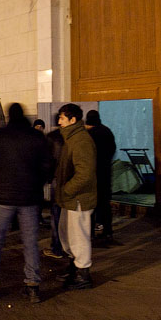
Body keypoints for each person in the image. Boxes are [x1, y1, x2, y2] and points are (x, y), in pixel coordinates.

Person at [0, 104, 53, 302]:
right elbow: (47, 166)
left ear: (8, 116)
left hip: (2, 198)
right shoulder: (36, 137)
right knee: (30, 242)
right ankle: (32, 286)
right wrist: (36, 186)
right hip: (29, 198)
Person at [54, 103, 97, 290]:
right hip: (70, 198)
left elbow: (85, 174)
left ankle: (83, 274)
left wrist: (67, 190)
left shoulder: (81, 141)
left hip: (79, 198)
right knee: (67, 234)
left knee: (79, 236)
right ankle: (74, 267)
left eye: (62, 118)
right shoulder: (71, 138)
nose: (59, 122)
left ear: (73, 120)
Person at [85, 110, 116, 244]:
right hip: (105, 173)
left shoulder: (88, 134)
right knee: (105, 204)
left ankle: (90, 233)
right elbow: (112, 150)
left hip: (92, 174)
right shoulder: (107, 131)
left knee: (91, 205)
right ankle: (107, 231)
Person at [42, 124, 66, 260]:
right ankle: (66, 248)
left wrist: (48, 178)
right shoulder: (73, 137)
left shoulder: (53, 137)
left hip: (57, 180)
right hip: (68, 181)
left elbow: (48, 160)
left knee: (56, 215)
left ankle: (57, 248)